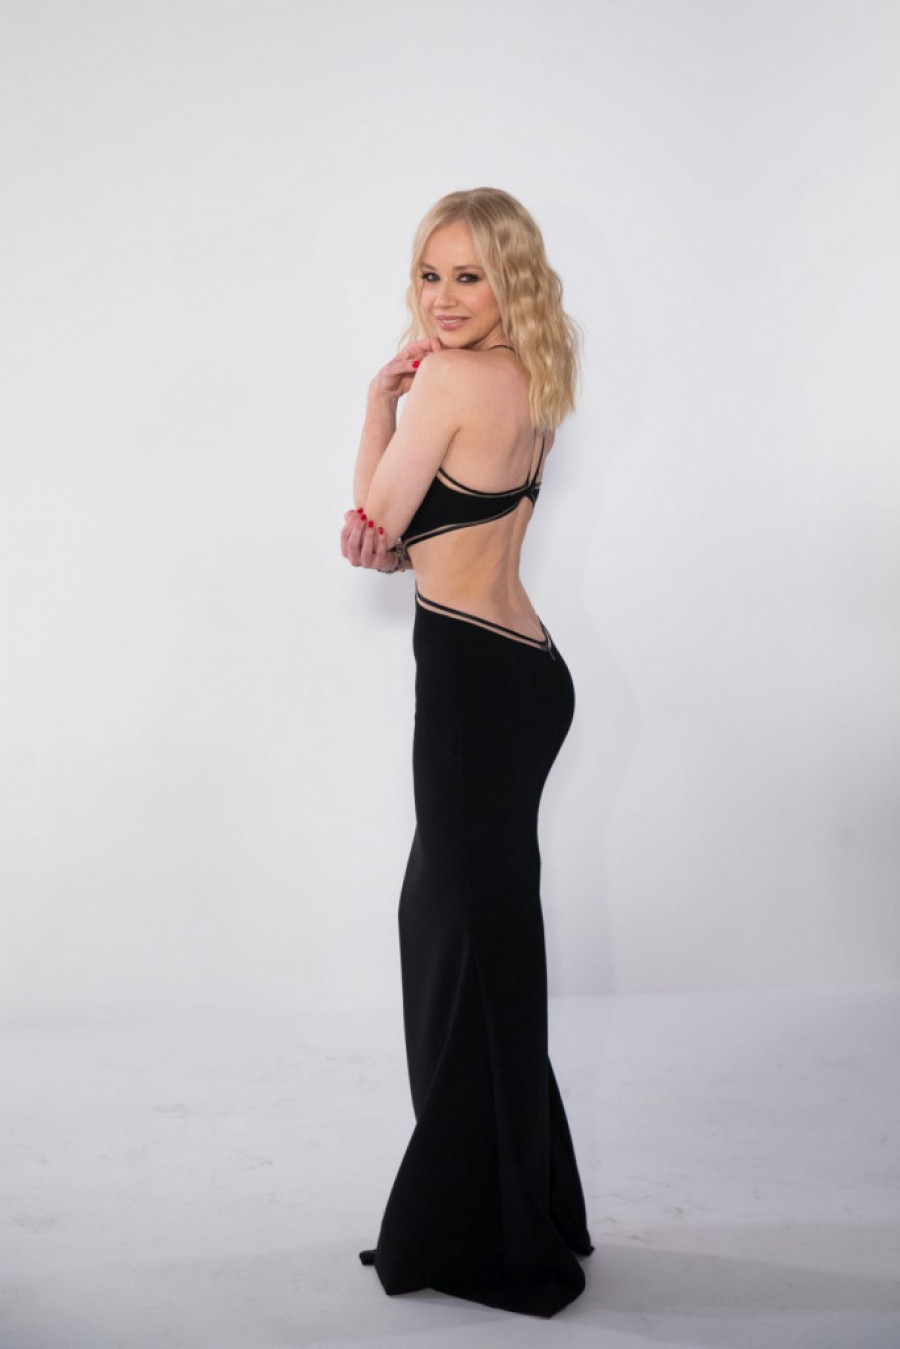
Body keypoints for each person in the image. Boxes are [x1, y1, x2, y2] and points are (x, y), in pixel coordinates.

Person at [339, 187, 593, 1318]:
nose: (444, 298)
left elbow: (378, 520)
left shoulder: (444, 379)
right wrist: (390, 539)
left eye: (469, 276)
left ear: (509, 280)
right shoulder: (532, 374)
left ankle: (485, 1231)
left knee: (463, 952)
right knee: (475, 942)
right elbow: (431, 535)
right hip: (521, 676)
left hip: (474, 690)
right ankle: (517, 1200)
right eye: (430, 275)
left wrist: (375, 405)